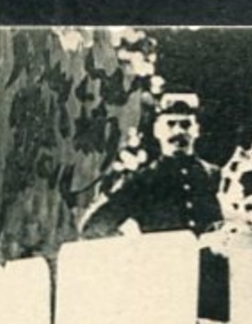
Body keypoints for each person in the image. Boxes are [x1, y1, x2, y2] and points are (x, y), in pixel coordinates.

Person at [80, 90, 223, 237]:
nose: (178, 131)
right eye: (170, 124)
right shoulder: (141, 181)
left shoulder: (216, 176)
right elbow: (94, 226)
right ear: (157, 130)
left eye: (186, 124)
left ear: (196, 130)